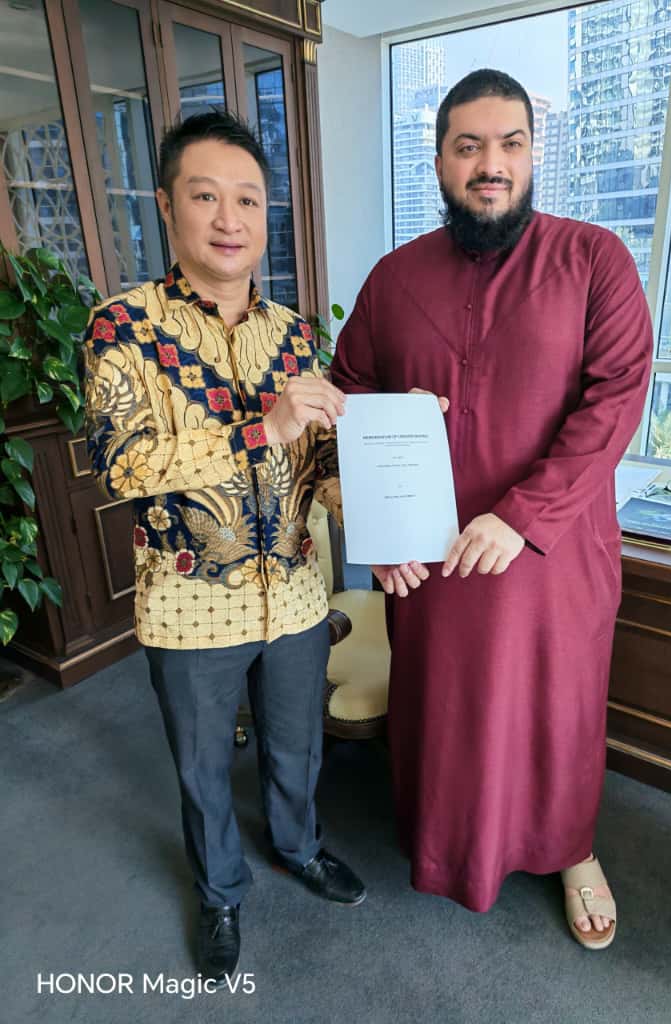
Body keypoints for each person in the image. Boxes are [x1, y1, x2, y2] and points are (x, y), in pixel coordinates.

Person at [331, 70, 653, 949]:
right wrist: (379, 522)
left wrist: (521, 516)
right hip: (431, 562)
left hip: (554, 558)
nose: (490, 165)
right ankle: (447, 849)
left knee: (558, 713)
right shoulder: (394, 278)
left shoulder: (594, 260)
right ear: (439, 161)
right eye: (468, 146)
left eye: (510, 143)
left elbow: (616, 399)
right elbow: (347, 394)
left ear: (533, 153)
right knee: (446, 713)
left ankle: (572, 851)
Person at [84, 111, 365, 986]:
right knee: (205, 767)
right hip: (189, 599)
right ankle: (220, 893)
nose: (229, 218)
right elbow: (121, 464)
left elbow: (319, 463)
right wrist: (260, 428)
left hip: (296, 594)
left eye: (247, 199)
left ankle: (298, 845)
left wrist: (379, 500)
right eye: (206, 196)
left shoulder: (296, 334)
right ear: (168, 205)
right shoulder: (123, 327)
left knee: (296, 745)